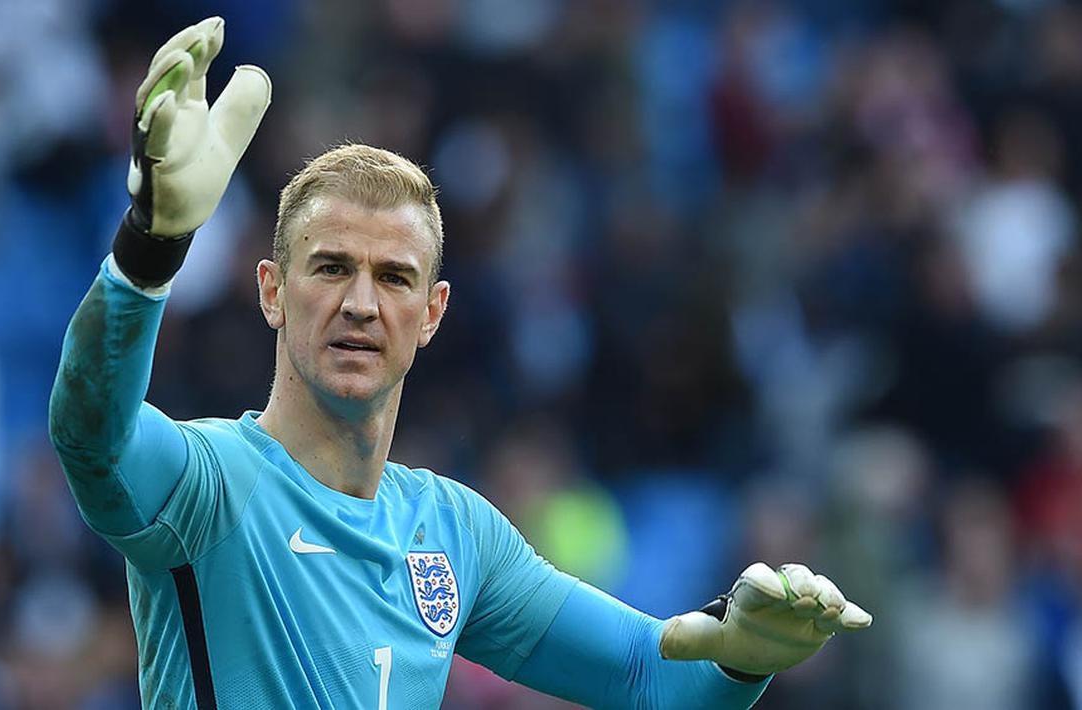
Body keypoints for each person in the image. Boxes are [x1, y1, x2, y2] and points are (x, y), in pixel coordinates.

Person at [49, 17, 871, 710]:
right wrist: (152, 246)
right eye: (330, 267)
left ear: (432, 313)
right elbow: (93, 437)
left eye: (393, 277)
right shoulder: (210, 485)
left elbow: (647, 680)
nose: (361, 305)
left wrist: (743, 659)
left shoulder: (454, 533)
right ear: (272, 291)